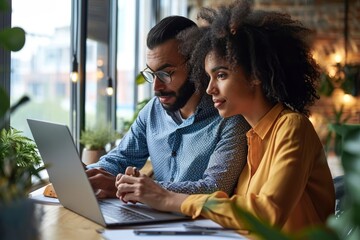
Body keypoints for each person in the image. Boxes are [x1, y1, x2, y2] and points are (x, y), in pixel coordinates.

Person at [114, 0, 335, 236]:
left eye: (221, 75)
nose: (209, 89)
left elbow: (267, 213)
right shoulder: (251, 135)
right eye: (208, 77)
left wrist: (168, 198)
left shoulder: (292, 127)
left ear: (256, 75)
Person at [86, 16, 250, 198]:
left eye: (166, 73)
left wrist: (139, 187)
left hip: (196, 223)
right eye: (152, 74)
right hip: (151, 217)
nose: (156, 87)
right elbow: (120, 158)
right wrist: (87, 175)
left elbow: (215, 189)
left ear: (196, 64)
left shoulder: (231, 119)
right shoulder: (153, 110)